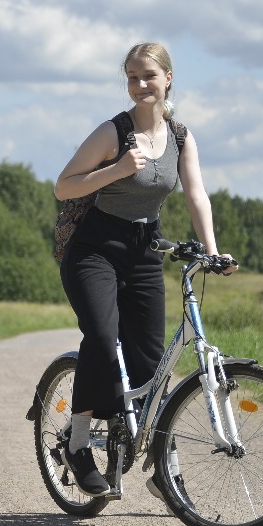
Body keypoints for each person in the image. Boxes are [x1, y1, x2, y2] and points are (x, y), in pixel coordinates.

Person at [53, 42, 238, 497]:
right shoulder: (113, 132)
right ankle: (78, 445)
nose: (139, 85)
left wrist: (214, 252)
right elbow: (64, 186)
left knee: (151, 365)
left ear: (168, 79)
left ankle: (162, 467)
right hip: (94, 249)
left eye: (148, 76)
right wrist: (116, 170)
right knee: (102, 338)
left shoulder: (180, 137)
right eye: (132, 77)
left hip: (144, 251)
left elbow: (196, 195)